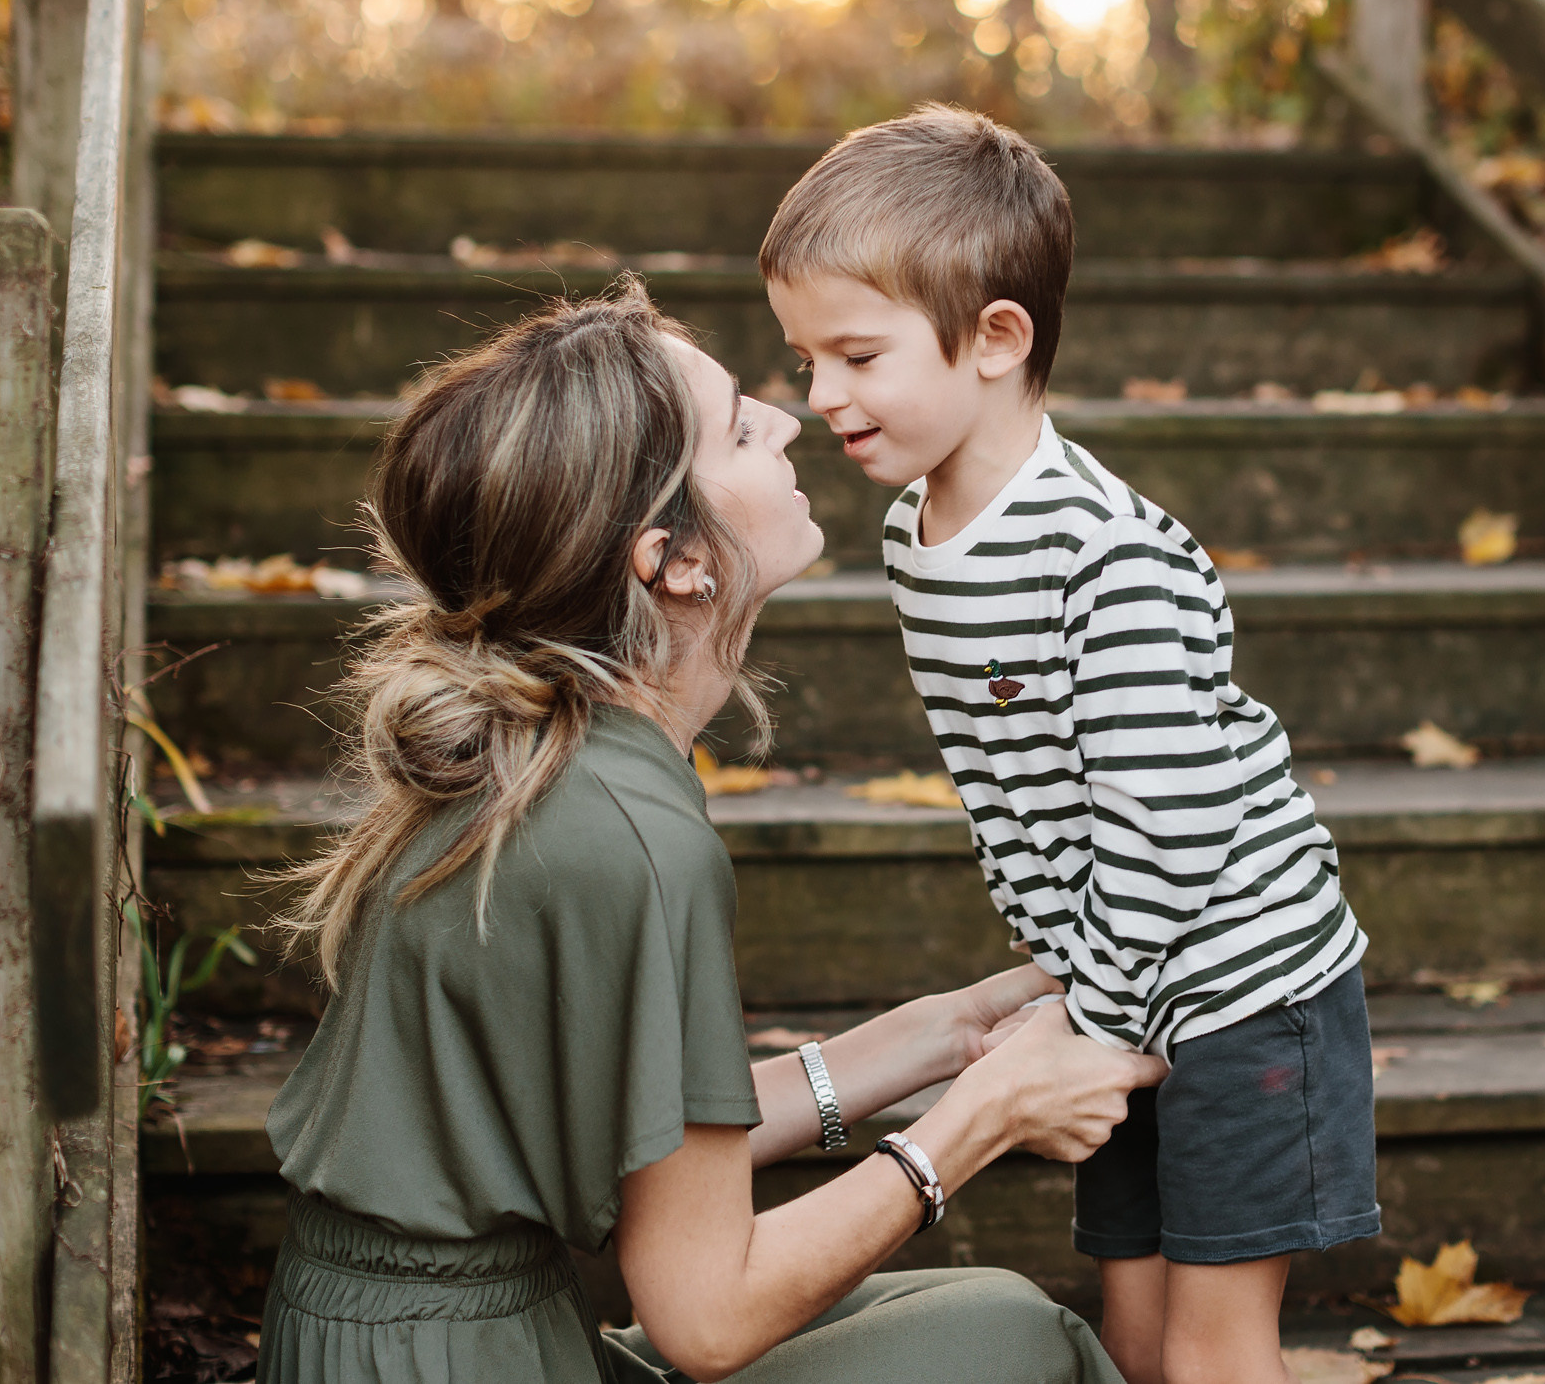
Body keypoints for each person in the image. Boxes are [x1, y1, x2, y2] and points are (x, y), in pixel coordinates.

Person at [257, 283, 1169, 1384]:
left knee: (990, 1308)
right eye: (740, 427)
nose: (790, 421)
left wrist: (949, 1031)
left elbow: (657, 1131)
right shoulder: (628, 834)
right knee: (1020, 1348)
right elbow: (705, 1316)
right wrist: (982, 1116)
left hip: (397, 1339)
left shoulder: (560, 760)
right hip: (455, 1359)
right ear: (673, 560)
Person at [762, 107, 1380, 1384]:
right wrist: (1077, 983)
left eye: (857, 355)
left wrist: (1083, 1017)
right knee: (1137, 1340)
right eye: (803, 359)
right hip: (1118, 979)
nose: (821, 396)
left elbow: (1168, 822)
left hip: (1242, 986)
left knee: (1213, 1358)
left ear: (996, 338)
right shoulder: (911, 535)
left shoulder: (1106, 557)